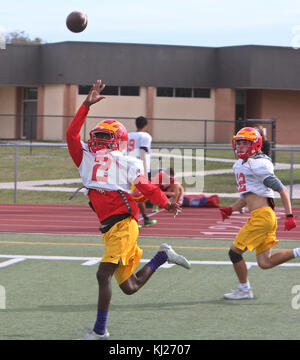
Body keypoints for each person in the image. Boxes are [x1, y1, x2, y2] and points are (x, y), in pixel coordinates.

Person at [66, 80, 191, 340]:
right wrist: (85, 106)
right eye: (97, 138)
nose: (100, 143)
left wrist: (166, 203)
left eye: (106, 139)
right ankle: (162, 257)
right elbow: (71, 135)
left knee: (103, 275)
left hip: (124, 223)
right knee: (130, 286)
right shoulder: (85, 157)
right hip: (110, 228)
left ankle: (100, 332)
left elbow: (145, 186)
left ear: (119, 143)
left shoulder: (126, 162)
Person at [219, 127, 298, 300]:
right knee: (265, 263)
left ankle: (244, 288)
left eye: (244, 143)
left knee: (234, 252)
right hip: (265, 216)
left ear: (255, 144)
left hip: (262, 217)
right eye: (238, 142)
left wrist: (290, 215)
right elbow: (250, 196)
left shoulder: (257, 164)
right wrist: (232, 209)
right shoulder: (243, 164)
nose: (240, 146)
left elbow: (282, 190)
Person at [128, 116, 156, 227]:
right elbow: (143, 151)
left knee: (138, 195)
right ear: (145, 125)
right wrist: (144, 171)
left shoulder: (129, 135)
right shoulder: (145, 136)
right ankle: (132, 220)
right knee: (136, 195)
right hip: (139, 168)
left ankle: (145, 218)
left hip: (128, 166)